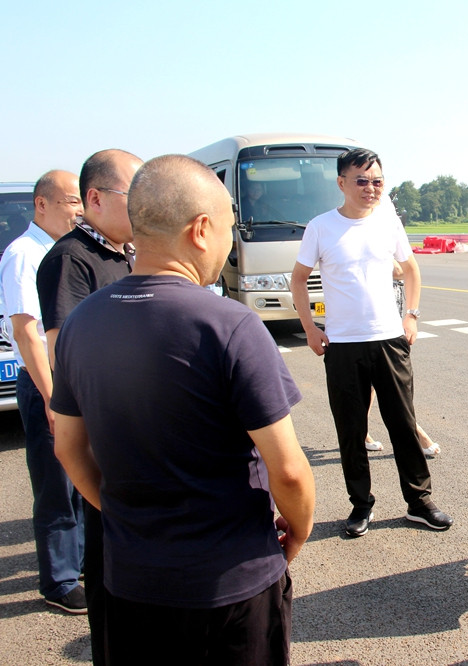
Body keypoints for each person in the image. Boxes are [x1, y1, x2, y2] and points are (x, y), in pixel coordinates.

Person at [52, 154, 316, 666]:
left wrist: (122, 513)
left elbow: (67, 447)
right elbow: (287, 469)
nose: (229, 242)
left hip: (130, 582)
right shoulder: (230, 325)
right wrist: (299, 530)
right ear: (200, 230)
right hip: (230, 583)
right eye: (228, 228)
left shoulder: (81, 322)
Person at [290, 147, 452, 538]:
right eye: (361, 180)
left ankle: (419, 502)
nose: (371, 188)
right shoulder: (321, 226)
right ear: (341, 182)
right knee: (351, 429)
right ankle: (361, 505)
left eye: (377, 181)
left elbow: (411, 270)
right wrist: (310, 328)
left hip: (389, 340)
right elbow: (298, 279)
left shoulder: (388, 222)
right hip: (342, 344)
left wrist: (411, 315)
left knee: (403, 424)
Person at [36, 148, 142, 663]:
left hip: (138, 431)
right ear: (95, 199)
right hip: (106, 435)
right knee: (108, 570)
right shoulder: (70, 259)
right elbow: (66, 352)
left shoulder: (125, 253)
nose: (143, 206)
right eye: (132, 195)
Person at [0, 170, 85, 613]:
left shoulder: (62, 250)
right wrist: (52, 396)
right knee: (55, 486)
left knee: (80, 478)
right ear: (42, 204)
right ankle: (59, 581)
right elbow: (26, 332)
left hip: (70, 381)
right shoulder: (23, 254)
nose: (79, 210)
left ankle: (80, 562)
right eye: (72, 201)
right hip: (45, 385)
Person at [366, 259, 441, 457]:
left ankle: (362, 431)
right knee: (390, 383)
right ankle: (418, 434)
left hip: (393, 317)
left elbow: (406, 271)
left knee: (374, 382)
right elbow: (400, 269)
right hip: (372, 318)